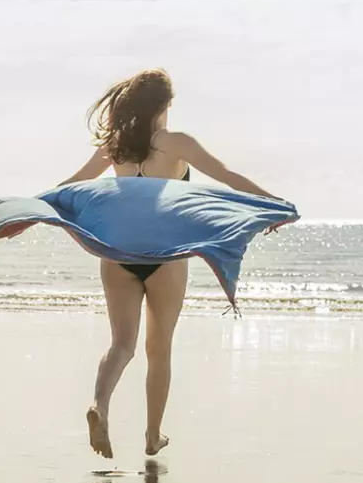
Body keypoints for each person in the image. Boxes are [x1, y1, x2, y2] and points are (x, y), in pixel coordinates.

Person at [59, 69, 279, 459]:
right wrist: (273, 204)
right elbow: (227, 177)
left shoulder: (116, 145)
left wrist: (29, 209)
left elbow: (71, 186)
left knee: (121, 345)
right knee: (159, 348)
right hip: (167, 257)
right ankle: (152, 435)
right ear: (164, 105)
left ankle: (100, 405)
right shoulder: (175, 143)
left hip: (117, 255)